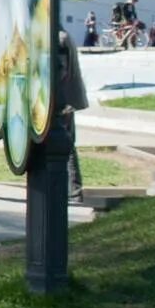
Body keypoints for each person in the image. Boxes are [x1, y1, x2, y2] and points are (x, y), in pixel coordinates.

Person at [58, 29, 89, 201]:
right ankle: (73, 190)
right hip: (68, 99)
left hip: (63, 100)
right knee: (68, 145)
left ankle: (74, 190)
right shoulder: (63, 34)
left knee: (67, 146)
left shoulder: (57, 38)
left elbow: (61, 71)